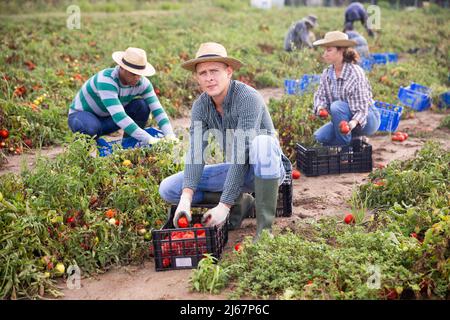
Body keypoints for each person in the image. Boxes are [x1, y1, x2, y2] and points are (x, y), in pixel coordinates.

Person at [159, 42, 292, 241]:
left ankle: (264, 232)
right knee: (169, 188)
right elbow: (196, 153)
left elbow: (242, 153)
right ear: (197, 77)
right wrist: (186, 199)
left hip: (265, 169)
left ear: (229, 72)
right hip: (237, 170)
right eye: (203, 73)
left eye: (214, 70)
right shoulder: (201, 107)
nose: (209, 78)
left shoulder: (248, 98)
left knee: (262, 143)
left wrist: (224, 205)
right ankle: (241, 202)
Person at [68, 47, 176, 144]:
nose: (137, 78)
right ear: (122, 68)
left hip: (108, 119)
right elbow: (119, 117)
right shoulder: (106, 80)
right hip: (82, 117)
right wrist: (148, 139)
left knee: (142, 106)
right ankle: (83, 152)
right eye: (133, 74)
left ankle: (129, 144)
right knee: (90, 129)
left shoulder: (143, 83)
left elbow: (158, 110)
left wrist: (169, 135)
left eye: (140, 74)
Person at [312, 31, 380, 146]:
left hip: (366, 119)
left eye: (329, 50)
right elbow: (320, 96)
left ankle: (344, 149)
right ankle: (354, 141)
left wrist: (350, 125)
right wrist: (320, 108)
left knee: (337, 106)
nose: (325, 54)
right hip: (343, 119)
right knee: (319, 137)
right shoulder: (327, 73)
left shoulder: (355, 73)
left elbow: (362, 110)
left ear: (341, 51)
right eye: (325, 50)